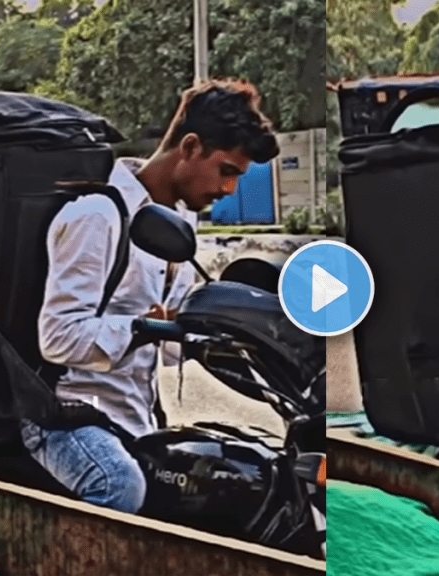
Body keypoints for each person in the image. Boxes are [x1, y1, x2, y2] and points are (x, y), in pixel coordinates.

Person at [19, 79, 280, 514]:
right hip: (66, 416)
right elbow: (58, 336)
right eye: (227, 171)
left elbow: (170, 345)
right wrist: (141, 327)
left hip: (133, 418)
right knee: (121, 487)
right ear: (191, 147)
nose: (230, 190)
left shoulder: (181, 226)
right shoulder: (97, 216)